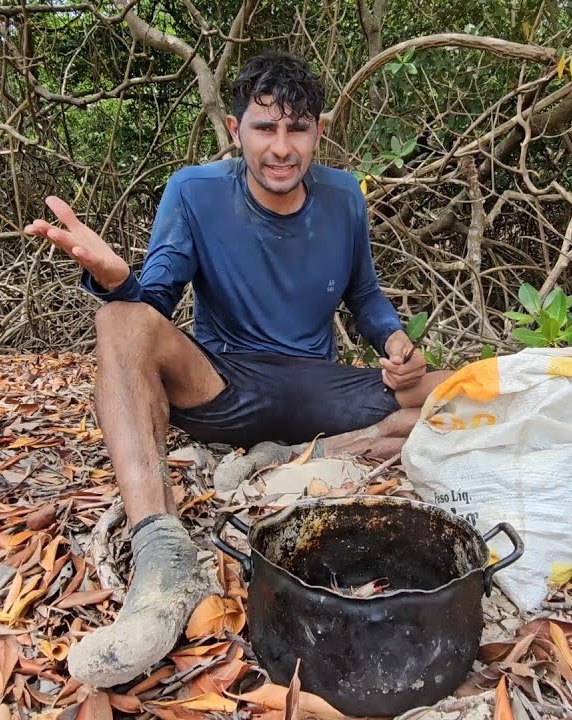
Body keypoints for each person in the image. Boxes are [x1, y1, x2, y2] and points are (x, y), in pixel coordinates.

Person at [25, 50, 453, 687]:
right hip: (224, 386)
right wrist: (116, 279)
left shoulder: (343, 197)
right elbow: (156, 307)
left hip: (316, 388)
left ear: (320, 130)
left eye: (298, 128)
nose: (281, 148)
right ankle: (162, 555)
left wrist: (393, 340)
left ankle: (310, 452)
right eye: (264, 127)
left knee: (462, 389)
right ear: (235, 129)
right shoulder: (194, 192)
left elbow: (364, 296)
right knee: (118, 323)